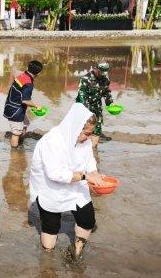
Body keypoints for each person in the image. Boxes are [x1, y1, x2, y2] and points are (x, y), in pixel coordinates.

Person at [28, 103, 108, 261]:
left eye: (91, 133)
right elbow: (55, 174)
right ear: (75, 128)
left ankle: (77, 250)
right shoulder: (52, 141)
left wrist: (94, 174)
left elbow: (89, 160)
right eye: (86, 133)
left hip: (76, 187)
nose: (88, 137)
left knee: (88, 220)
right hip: (51, 189)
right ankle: (47, 260)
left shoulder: (84, 141)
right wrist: (86, 177)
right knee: (51, 228)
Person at [3, 60, 44, 148]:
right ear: (39, 72)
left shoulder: (23, 75)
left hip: (12, 106)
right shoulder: (28, 83)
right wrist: (36, 106)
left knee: (25, 124)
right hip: (15, 110)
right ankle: (14, 153)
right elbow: (25, 101)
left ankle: (20, 144)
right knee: (16, 133)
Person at [76, 62, 113, 143]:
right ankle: (77, 148)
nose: (103, 74)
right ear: (95, 69)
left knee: (97, 129)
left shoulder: (105, 79)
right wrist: (86, 113)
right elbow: (82, 96)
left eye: (105, 71)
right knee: (84, 130)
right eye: (101, 71)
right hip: (84, 107)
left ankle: (94, 150)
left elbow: (106, 92)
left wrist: (110, 104)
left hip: (97, 107)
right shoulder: (86, 79)